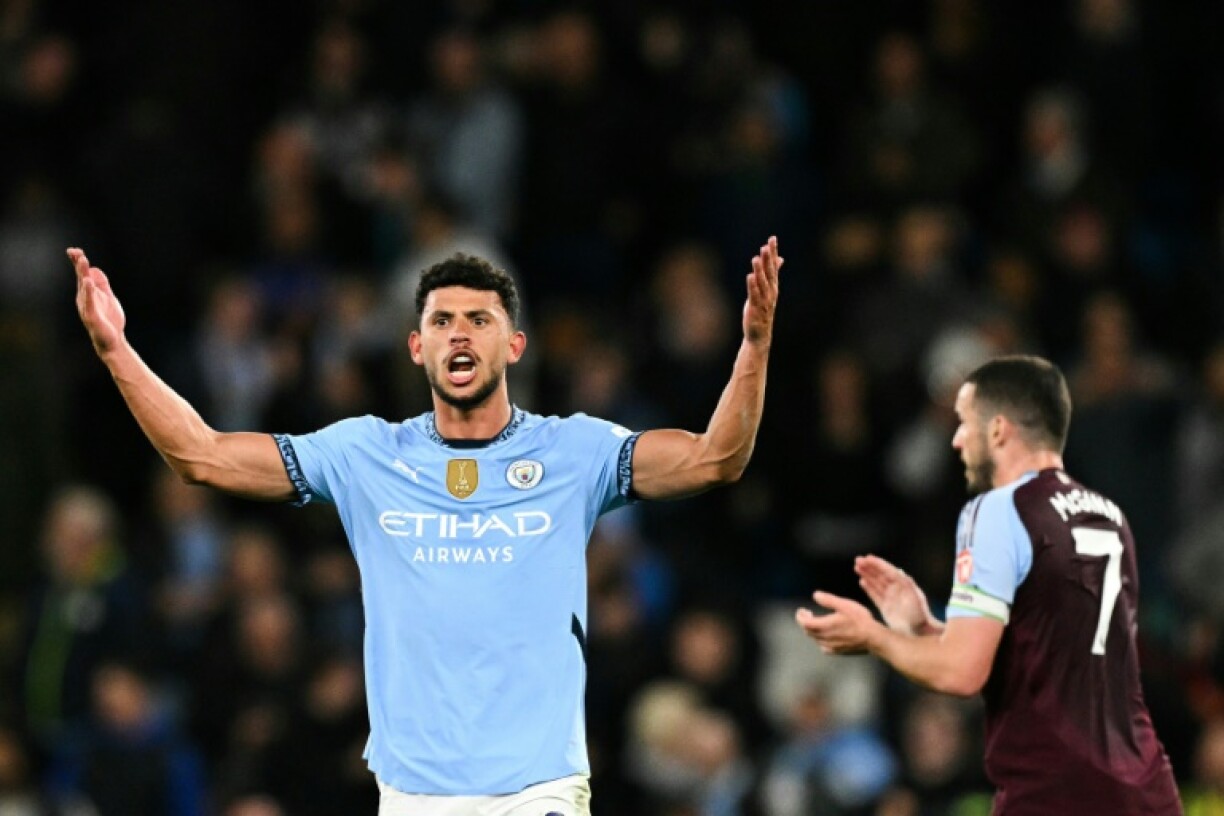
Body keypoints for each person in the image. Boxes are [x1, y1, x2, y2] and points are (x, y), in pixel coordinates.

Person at [68, 235, 782, 815]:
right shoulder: (364, 455)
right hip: (411, 796)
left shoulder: (575, 451)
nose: (459, 334)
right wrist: (115, 352)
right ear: (417, 348)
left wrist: (752, 347)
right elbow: (202, 456)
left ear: (514, 346)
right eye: (441, 321)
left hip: (539, 792)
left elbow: (714, 460)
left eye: (479, 319)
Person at [794, 355, 1182, 815]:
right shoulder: (1108, 515)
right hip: (1145, 792)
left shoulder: (997, 511)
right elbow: (1045, 663)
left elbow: (962, 672)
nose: (956, 439)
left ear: (998, 429)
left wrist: (873, 637)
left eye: (963, 423)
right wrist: (924, 629)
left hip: (1056, 793)